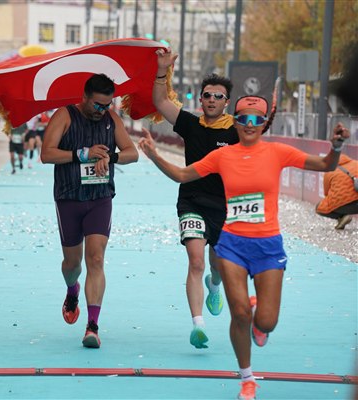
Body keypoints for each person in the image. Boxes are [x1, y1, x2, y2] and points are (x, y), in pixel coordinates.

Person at [138, 95, 350, 400]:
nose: (250, 125)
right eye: (243, 119)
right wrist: (155, 155)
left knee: (266, 322)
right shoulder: (222, 156)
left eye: (256, 120)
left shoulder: (277, 152)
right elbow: (183, 175)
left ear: (263, 124)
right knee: (238, 314)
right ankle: (247, 379)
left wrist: (337, 147)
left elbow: (325, 164)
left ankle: (258, 317)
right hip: (232, 245)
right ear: (235, 123)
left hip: (268, 246)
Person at [41, 73, 139, 348]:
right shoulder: (64, 116)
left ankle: (92, 326)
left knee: (96, 259)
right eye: (97, 105)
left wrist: (111, 156)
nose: (102, 110)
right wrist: (82, 154)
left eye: (107, 105)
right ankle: (72, 289)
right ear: (84, 97)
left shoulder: (111, 119)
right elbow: (47, 154)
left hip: (100, 197)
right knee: (72, 265)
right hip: (69, 198)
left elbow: (132, 153)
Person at [152, 47, 239, 349]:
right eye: (207, 95)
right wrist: (162, 70)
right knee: (196, 261)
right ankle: (197, 324)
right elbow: (161, 101)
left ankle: (214, 286)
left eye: (218, 96)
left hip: (225, 207)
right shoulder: (190, 124)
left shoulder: (237, 131)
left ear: (227, 102)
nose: (212, 100)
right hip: (191, 202)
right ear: (200, 99)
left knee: (217, 266)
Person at [315, 154, 358, 229]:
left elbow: (326, 193)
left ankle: (342, 217)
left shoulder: (329, 171)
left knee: (319, 208)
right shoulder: (356, 163)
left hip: (344, 206)